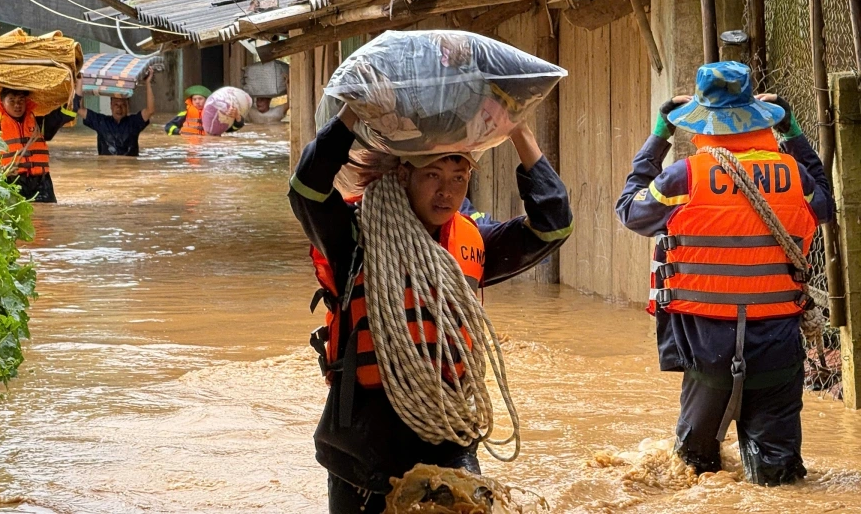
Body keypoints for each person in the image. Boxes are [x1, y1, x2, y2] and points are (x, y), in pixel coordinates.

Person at [289, 105, 573, 513]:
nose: (447, 192)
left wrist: (519, 132)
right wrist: (353, 113)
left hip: (448, 436)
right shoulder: (353, 235)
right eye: (433, 176)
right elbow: (308, 189)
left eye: (458, 178)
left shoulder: (474, 239)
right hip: (364, 441)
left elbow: (554, 224)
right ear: (403, 175)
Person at [616, 61, 833, 486]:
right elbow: (825, 203)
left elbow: (629, 210)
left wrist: (659, 135)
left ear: (701, 121)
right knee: (779, 478)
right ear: (759, 116)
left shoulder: (683, 177)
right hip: (776, 345)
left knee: (691, 472)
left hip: (707, 348)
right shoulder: (794, 176)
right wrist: (793, 134)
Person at [0, 87, 76, 203]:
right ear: (2, 103)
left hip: (42, 184)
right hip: (11, 182)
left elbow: (66, 111)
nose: (17, 105)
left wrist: (77, 86)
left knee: (47, 218)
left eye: (21, 100)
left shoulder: (39, 123)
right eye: (12, 101)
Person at [73, 71, 155, 156]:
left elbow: (150, 110)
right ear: (111, 106)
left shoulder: (134, 122)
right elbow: (79, 109)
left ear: (127, 107)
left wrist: (148, 83)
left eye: (123, 105)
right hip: (106, 168)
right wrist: (80, 82)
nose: (119, 108)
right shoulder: (101, 122)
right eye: (116, 104)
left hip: (128, 168)